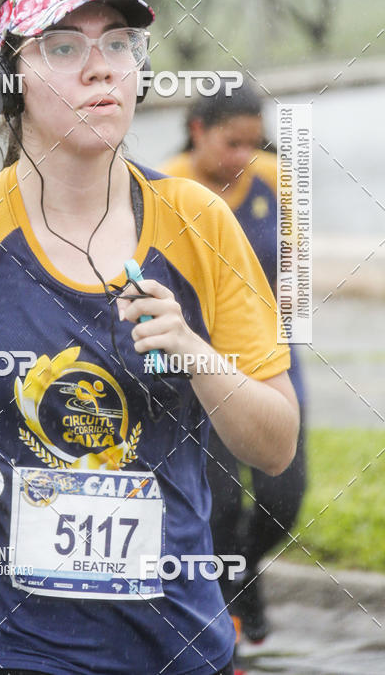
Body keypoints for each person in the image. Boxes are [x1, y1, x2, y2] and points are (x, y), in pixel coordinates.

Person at [0, 0, 299, 675]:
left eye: (118, 44)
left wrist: (194, 350)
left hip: (173, 644)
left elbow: (274, 448)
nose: (100, 68)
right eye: (62, 47)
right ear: (6, 79)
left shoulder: (200, 221)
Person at [162, 81, 306, 643]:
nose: (244, 156)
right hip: (200, 370)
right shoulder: (164, 185)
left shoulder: (275, 180)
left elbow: (292, 261)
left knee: (283, 498)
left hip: (269, 358)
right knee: (218, 503)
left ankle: (241, 576)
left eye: (254, 143)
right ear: (198, 130)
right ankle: (221, 621)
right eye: (232, 142)